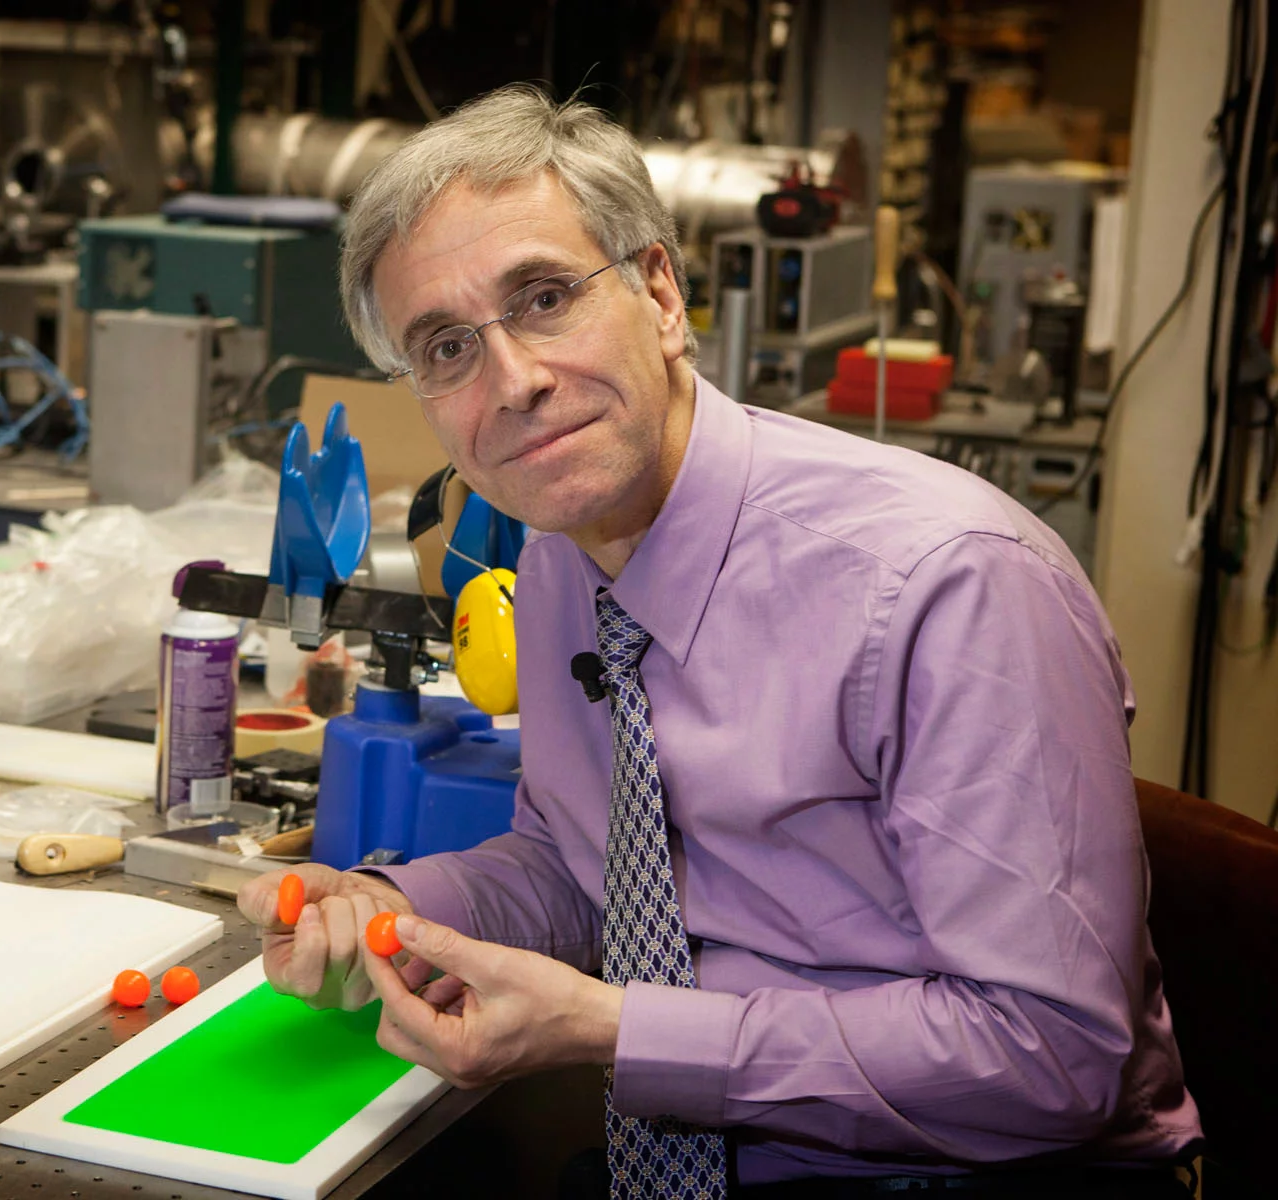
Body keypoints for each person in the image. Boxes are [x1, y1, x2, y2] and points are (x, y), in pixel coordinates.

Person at [238, 86, 1203, 1198]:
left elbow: (1051, 1058)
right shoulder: (562, 553)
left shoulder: (949, 584)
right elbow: (576, 862)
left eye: (546, 298)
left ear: (659, 293)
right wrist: (398, 907)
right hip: (701, 1152)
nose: (514, 382)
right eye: (447, 347)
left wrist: (614, 1028)